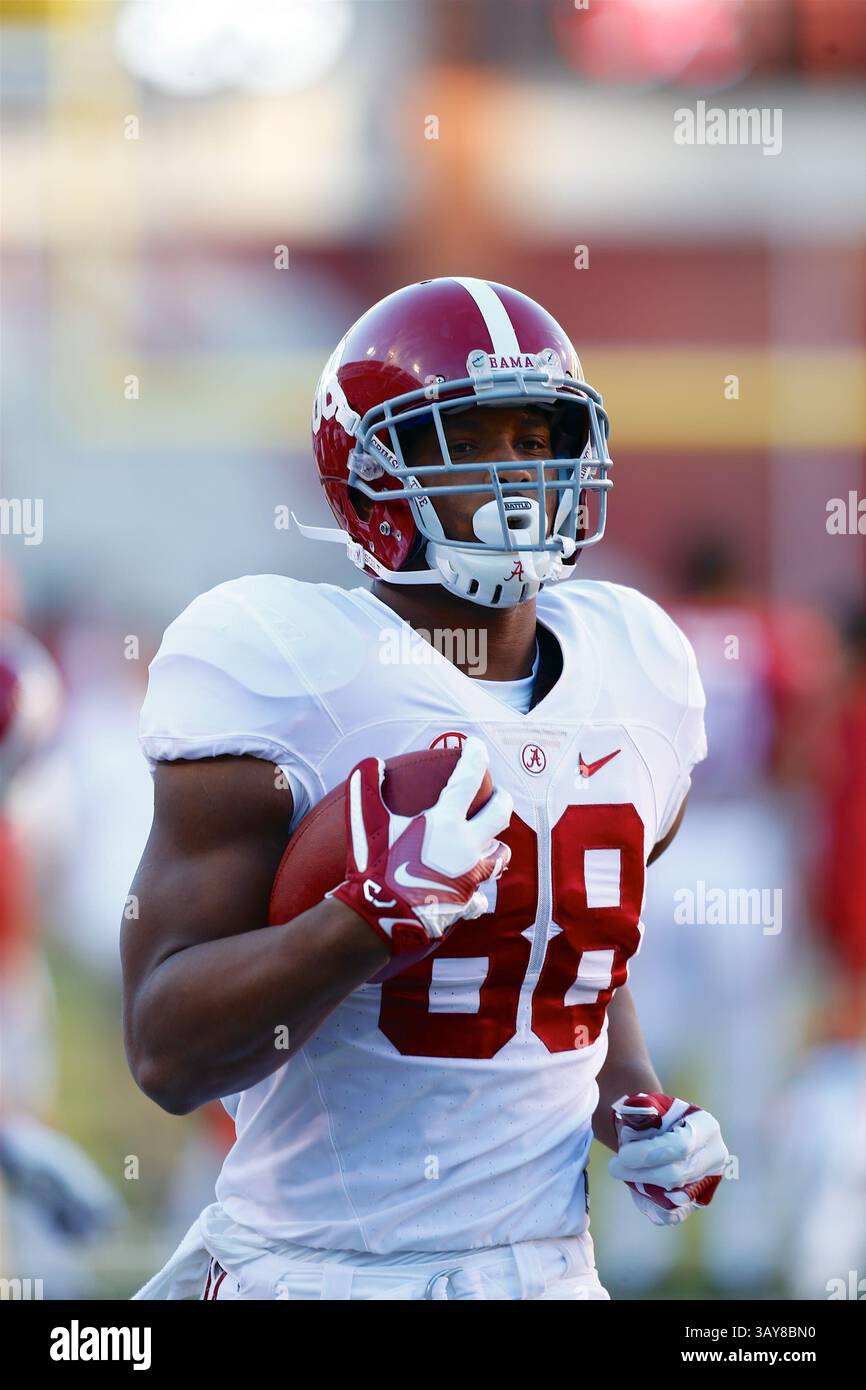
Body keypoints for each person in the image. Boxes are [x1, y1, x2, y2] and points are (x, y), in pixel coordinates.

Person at [123, 277, 727, 1301]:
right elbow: (166, 1050)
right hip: (316, 1274)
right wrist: (362, 920)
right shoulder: (285, 662)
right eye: (473, 439)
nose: (521, 474)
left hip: (545, 1271)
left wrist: (629, 1101)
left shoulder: (639, 666)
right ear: (369, 478)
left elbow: (566, 939)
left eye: (539, 437)